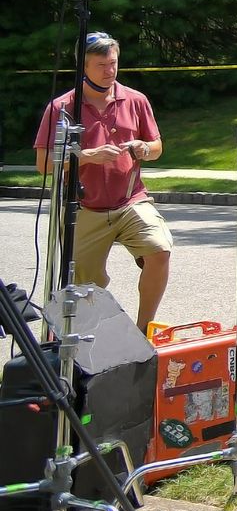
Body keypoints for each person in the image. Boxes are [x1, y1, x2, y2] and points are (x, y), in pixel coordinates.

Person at [34, 32, 172, 331]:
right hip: (84, 208)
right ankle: (97, 345)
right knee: (87, 286)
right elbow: (43, 164)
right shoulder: (62, 107)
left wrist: (144, 149)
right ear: (82, 66)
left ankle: (143, 332)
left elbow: (157, 146)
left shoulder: (135, 100)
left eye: (113, 63)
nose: (110, 71)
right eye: (101, 65)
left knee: (159, 250)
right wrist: (85, 156)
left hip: (130, 201)